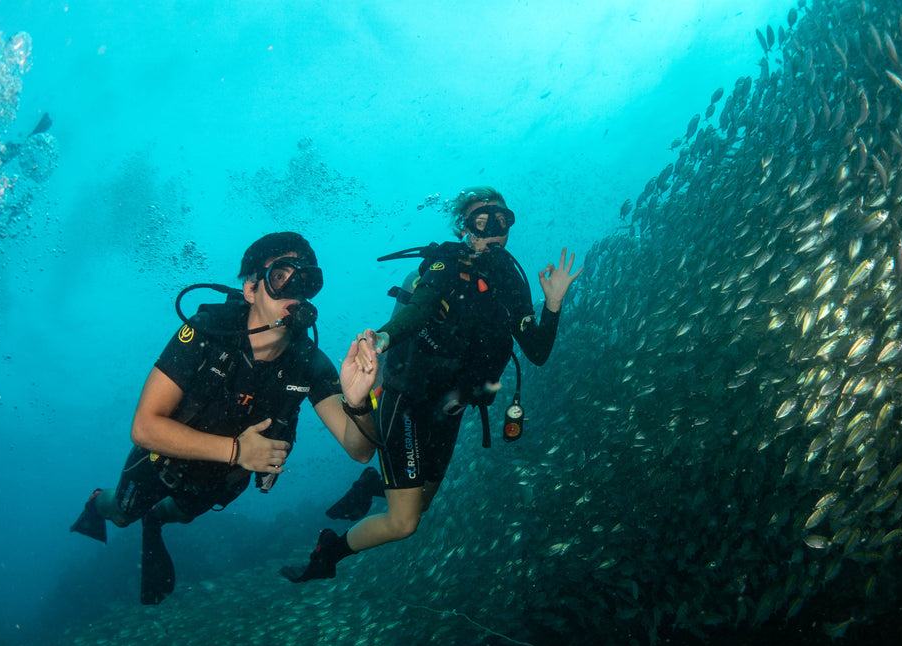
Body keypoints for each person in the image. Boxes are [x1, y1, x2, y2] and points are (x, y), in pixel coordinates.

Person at [281, 187, 581, 582]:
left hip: (451, 409)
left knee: (420, 505)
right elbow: (420, 310)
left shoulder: (511, 278)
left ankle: (376, 482)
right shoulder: (445, 264)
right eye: (482, 220)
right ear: (464, 228)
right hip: (407, 399)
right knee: (405, 523)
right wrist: (382, 338)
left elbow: (537, 352)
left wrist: (553, 303)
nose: (494, 230)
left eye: (502, 220)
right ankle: (329, 553)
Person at [70, 232, 378, 604]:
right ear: (250, 290)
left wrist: (359, 402)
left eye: (306, 280)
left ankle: (156, 517)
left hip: (219, 481)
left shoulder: (310, 362)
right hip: (162, 461)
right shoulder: (205, 332)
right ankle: (97, 500)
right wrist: (237, 451)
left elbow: (360, 451)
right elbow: (145, 426)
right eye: (281, 277)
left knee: (177, 515)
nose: (295, 290)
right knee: (121, 515)